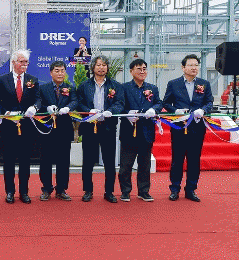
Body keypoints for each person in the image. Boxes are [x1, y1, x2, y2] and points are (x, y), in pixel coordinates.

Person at [162, 54, 213, 202]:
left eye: (196, 65)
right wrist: (175, 110)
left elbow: (209, 102)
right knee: (177, 159)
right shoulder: (174, 84)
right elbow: (166, 103)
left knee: (194, 159)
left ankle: (191, 189)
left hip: (197, 127)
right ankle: (175, 189)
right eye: (190, 65)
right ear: (183, 67)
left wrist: (203, 110)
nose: (194, 68)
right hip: (179, 127)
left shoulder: (204, 84)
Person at [76, 55, 124, 203]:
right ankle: (88, 191)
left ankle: (109, 192)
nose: (101, 67)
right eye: (98, 65)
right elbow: (79, 103)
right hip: (89, 127)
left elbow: (120, 103)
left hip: (108, 127)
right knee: (88, 161)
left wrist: (111, 110)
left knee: (109, 161)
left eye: (104, 65)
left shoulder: (116, 85)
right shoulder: (84, 85)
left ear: (107, 67)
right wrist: (88, 111)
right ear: (93, 67)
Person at [0, 49, 41, 204]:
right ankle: (9, 191)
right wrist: (6, 112)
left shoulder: (32, 80)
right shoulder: (3, 79)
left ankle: (24, 192)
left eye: (26, 62)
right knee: (8, 160)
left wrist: (34, 107)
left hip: (27, 126)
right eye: (21, 61)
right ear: (14, 62)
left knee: (25, 160)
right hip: (9, 126)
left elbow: (38, 99)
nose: (24, 64)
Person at [119, 59, 162, 202]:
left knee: (145, 164)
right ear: (131, 71)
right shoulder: (124, 88)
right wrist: (128, 114)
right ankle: (125, 191)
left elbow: (159, 103)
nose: (142, 71)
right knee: (126, 165)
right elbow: (119, 105)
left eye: (144, 69)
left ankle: (143, 191)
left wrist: (153, 109)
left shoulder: (152, 88)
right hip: (129, 130)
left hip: (146, 130)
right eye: (139, 69)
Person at [38, 61, 77, 201]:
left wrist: (68, 108)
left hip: (64, 129)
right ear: (51, 73)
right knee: (45, 160)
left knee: (63, 160)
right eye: (57, 70)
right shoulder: (43, 88)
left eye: (62, 70)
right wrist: (47, 108)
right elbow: (39, 104)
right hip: (47, 129)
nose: (60, 73)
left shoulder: (70, 88)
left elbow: (75, 101)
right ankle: (46, 188)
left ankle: (61, 189)